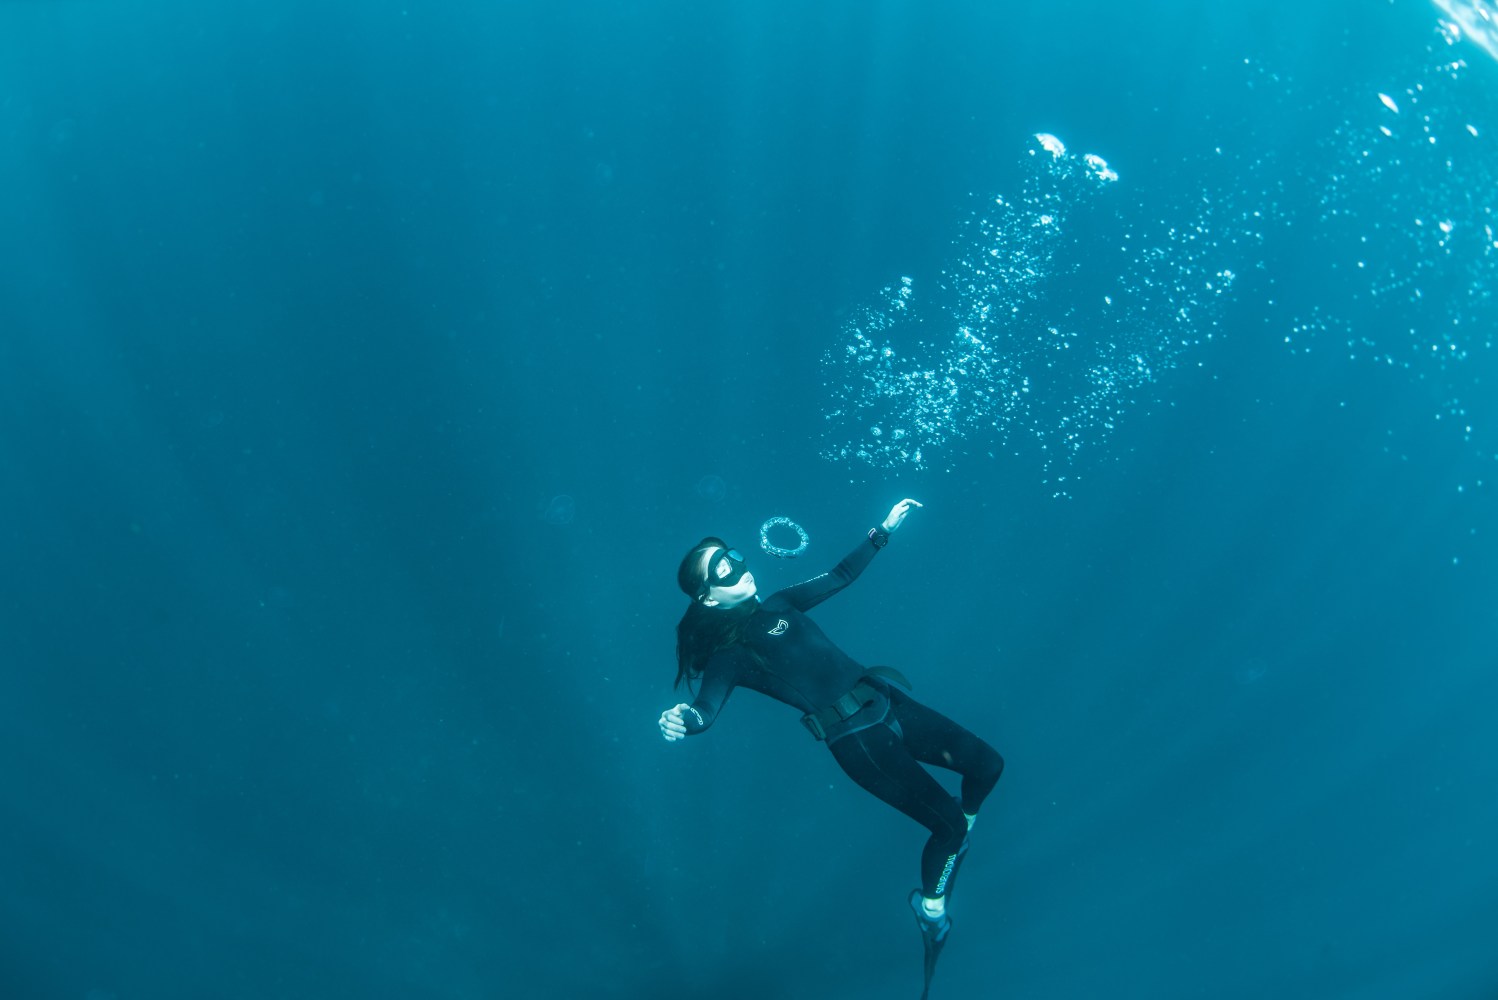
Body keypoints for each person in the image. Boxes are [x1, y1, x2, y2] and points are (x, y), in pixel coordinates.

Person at [658, 500, 1004, 996]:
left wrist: (882, 531)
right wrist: (683, 720)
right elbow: (706, 709)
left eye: (734, 556)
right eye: (723, 569)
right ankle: (930, 911)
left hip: (888, 701)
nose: (739, 566)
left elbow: (841, 574)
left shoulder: (780, 602)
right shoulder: (729, 658)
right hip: (859, 744)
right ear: (708, 598)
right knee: (946, 827)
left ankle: (960, 832)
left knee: (989, 766)